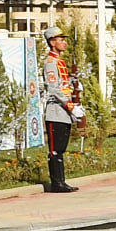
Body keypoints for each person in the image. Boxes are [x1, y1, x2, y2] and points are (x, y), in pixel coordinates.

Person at [38, 28, 81, 193]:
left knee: (61, 149)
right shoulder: (51, 63)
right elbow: (54, 89)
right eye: (60, 39)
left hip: (63, 112)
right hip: (55, 111)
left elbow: (62, 86)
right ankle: (57, 183)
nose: (64, 42)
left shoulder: (59, 61)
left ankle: (61, 181)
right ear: (52, 42)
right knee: (55, 150)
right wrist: (70, 106)